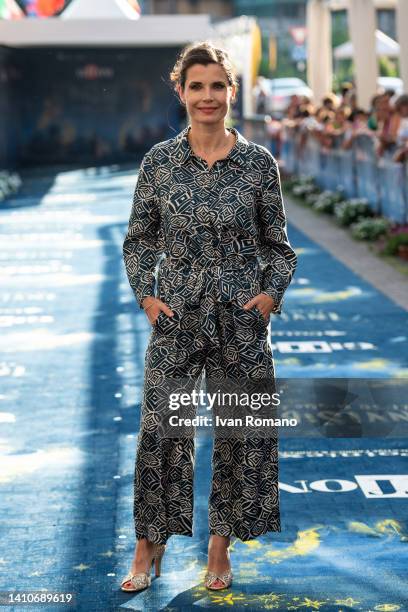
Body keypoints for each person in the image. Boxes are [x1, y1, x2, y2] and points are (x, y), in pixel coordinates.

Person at [121, 41, 298, 593]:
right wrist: (145, 296)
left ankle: (219, 547)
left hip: (242, 321)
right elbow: (137, 241)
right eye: (196, 86)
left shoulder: (257, 163)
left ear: (231, 92)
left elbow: (280, 246)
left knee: (241, 433)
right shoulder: (159, 162)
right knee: (163, 431)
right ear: (181, 92)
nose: (207, 97)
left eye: (217, 86)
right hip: (176, 316)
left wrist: (271, 294)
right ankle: (148, 545)